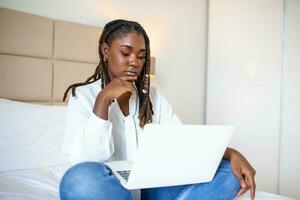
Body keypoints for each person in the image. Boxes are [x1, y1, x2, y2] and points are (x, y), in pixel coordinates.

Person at [59, 19, 256, 200]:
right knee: (78, 181)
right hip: (112, 189)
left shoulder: (153, 97)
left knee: (230, 173)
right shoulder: (83, 96)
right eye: (126, 53)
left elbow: (182, 143)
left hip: (155, 187)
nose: (135, 62)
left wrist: (231, 153)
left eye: (142, 56)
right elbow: (85, 161)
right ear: (105, 50)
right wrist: (103, 100)